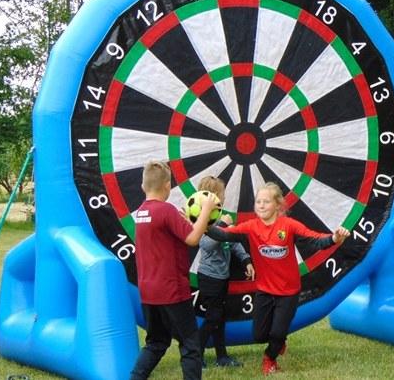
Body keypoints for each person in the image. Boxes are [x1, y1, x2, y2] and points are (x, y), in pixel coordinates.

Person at [207, 182, 350, 375]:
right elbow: (222, 235)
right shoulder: (250, 227)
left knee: (277, 333)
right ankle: (278, 341)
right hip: (265, 290)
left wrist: (334, 238)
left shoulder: (289, 225)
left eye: (266, 202)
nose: (261, 205)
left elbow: (315, 240)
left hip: (288, 291)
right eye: (258, 202)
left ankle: (270, 358)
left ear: (278, 205)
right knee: (258, 335)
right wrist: (200, 222)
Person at [130, 161, 216, 380]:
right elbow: (193, 238)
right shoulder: (166, 210)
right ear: (168, 186)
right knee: (190, 344)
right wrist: (206, 210)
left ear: (143, 186)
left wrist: (186, 223)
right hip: (172, 290)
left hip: (148, 291)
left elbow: (169, 237)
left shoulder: (141, 213)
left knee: (156, 342)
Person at [193, 176, 255, 369]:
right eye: (222, 195)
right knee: (213, 317)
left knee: (219, 318)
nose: (224, 198)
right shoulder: (201, 220)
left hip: (222, 277)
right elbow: (207, 244)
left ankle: (222, 357)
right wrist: (223, 226)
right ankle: (195, 354)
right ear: (212, 198)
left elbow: (233, 241)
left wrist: (246, 260)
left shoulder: (220, 218)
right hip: (209, 277)